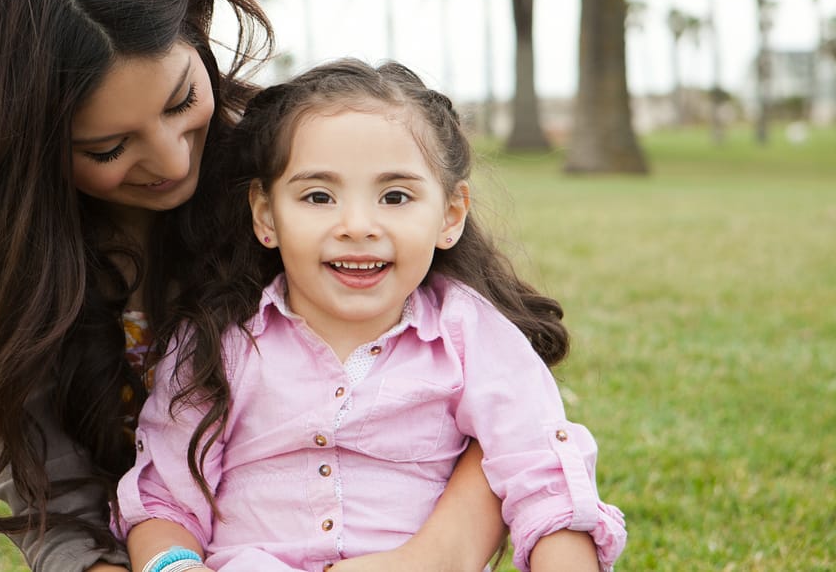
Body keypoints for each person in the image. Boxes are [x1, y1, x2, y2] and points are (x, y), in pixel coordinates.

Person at [0, 0, 508, 571]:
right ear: (23, 154)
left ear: (196, 34)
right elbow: (54, 508)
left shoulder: (305, 173)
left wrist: (434, 555)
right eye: (107, 146)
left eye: (180, 101)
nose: (170, 163)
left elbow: (506, 391)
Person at [113, 59, 628, 572]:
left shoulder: (472, 336)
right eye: (319, 196)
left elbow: (547, 484)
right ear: (266, 214)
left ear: (450, 215)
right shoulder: (217, 342)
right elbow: (164, 499)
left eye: (395, 196)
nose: (357, 225)